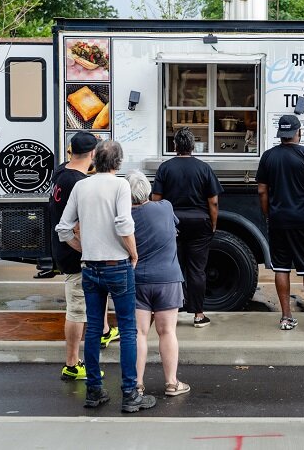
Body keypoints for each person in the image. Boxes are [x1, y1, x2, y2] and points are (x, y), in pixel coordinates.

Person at [56, 140, 156, 413]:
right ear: (118, 163)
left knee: (92, 329)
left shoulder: (81, 186)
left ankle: (94, 391)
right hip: (118, 265)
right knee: (127, 330)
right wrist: (133, 254)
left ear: (95, 159)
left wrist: (83, 248)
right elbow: (124, 224)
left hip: (89, 267)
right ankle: (129, 393)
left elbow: (63, 228)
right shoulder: (121, 186)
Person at [50, 132, 119, 382]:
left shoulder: (61, 172)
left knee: (95, 295)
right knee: (77, 309)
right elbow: (76, 224)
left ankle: (102, 331)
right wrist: (88, 248)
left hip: (63, 250)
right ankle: (71, 363)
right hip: (73, 253)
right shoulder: (77, 183)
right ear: (92, 154)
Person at [126, 171, 190, 398]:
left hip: (137, 280)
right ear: (148, 190)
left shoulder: (125, 216)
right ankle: (172, 383)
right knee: (167, 331)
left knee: (139, 334)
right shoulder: (165, 207)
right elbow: (174, 231)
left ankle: (137, 384)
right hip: (168, 279)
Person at [256, 115, 304, 331]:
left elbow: (262, 191)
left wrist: (268, 215)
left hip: (278, 221)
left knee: (281, 268)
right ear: (298, 132)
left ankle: (286, 317)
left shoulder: (268, 157)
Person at [153, 128, 223, 327]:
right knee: (197, 269)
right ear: (193, 147)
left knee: (173, 267)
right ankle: (199, 315)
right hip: (200, 223)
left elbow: (156, 199)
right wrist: (213, 224)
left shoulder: (165, 168)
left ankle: (172, 312)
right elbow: (213, 202)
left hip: (171, 223)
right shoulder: (204, 168)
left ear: (175, 146)